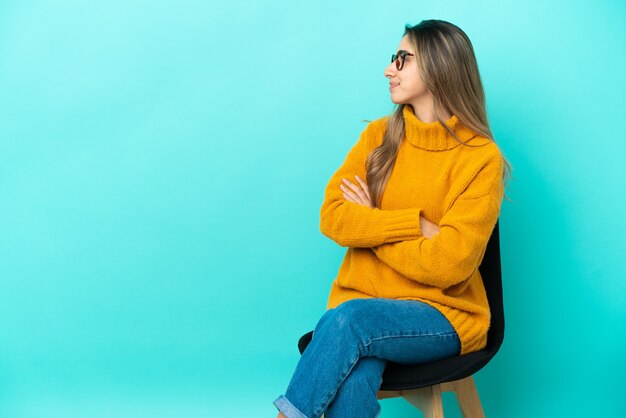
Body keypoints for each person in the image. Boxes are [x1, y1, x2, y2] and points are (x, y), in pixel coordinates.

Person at [274, 19, 512, 418]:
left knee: (349, 323)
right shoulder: (379, 138)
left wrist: (371, 221)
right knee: (352, 375)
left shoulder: (479, 159)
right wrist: (412, 225)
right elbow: (334, 218)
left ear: (440, 66)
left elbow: (449, 264)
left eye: (403, 59)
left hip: (443, 317)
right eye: (392, 58)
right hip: (361, 311)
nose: (389, 69)